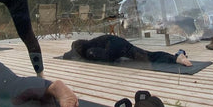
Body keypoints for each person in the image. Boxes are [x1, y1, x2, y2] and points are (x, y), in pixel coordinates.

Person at [63, 34, 192, 66]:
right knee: (148, 55)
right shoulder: (89, 43)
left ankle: (177, 57)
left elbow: (106, 56)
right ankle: (176, 57)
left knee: (145, 56)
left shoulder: (88, 50)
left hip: (114, 45)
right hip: (119, 42)